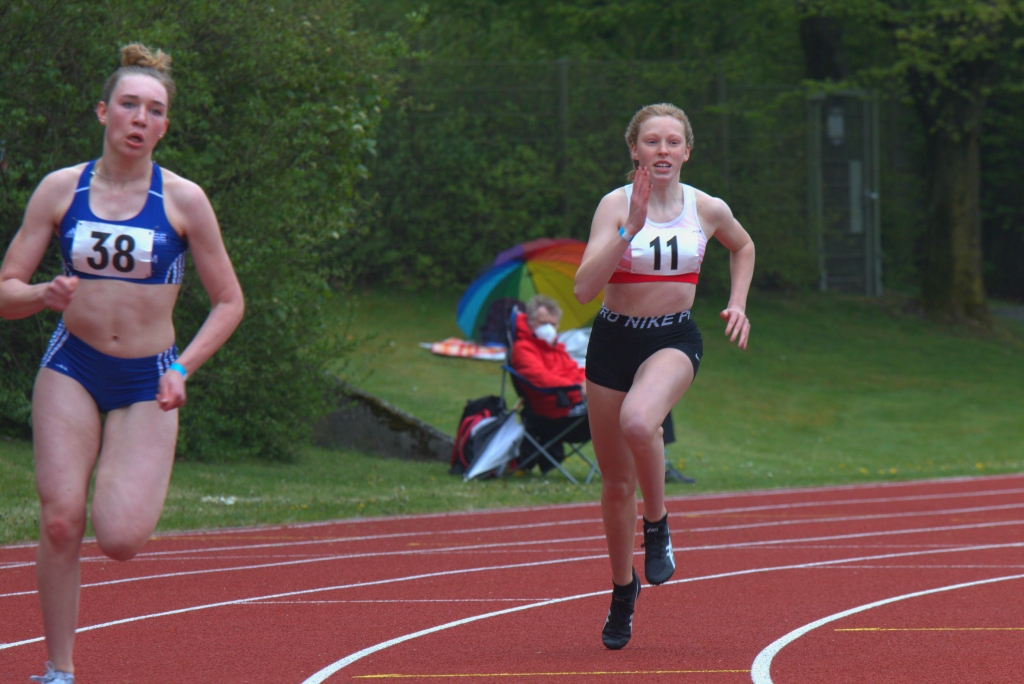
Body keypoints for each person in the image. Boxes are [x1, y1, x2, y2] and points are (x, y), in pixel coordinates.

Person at [0, 44, 244, 683]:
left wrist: (182, 367)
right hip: (71, 366)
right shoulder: (62, 188)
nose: (140, 118)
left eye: (154, 110)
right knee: (59, 520)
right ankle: (58, 670)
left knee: (119, 539)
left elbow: (228, 301)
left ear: (165, 126)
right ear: (104, 111)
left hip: (148, 378)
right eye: (129, 104)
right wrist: (41, 295)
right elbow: (6, 291)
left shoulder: (185, 201)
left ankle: (122, 469)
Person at [573, 103, 754, 650]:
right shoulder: (614, 205)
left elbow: (742, 246)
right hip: (612, 340)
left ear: (687, 151)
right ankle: (623, 592)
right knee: (613, 484)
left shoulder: (707, 207)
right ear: (635, 150)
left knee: (638, 421)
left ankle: (658, 525)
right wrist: (628, 229)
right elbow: (582, 290)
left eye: (672, 142)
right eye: (651, 142)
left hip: (672, 338)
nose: (662, 152)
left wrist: (738, 302)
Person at [510, 295, 589, 472]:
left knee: (636, 398)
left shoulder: (556, 348)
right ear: (530, 322)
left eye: (553, 324)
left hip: (574, 405)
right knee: (622, 407)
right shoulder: (523, 348)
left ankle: (657, 461)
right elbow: (541, 378)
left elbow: (574, 370)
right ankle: (651, 465)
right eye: (543, 322)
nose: (549, 328)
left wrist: (589, 382)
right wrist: (578, 388)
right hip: (554, 414)